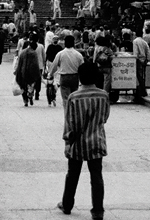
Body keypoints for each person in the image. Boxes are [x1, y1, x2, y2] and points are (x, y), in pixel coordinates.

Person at [57, 62, 110, 220]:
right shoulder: (103, 96)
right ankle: (98, 211)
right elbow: (105, 118)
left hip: (78, 143)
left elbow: (70, 124)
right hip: (96, 142)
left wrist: (67, 143)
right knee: (96, 177)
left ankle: (67, 205)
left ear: (79, 77)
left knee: (72, 175)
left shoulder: (74, 97)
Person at [49, 35, 85, 109]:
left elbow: (54, 66)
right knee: (74, 97)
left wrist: (50, 74)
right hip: (75, 77)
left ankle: (67, 116)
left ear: (65, 43)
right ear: (74, 43)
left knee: (66, 99)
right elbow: (82, 67)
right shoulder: (78, 55)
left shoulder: (60, 54)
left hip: (64, 78)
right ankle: (73, 113)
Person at [15, 38, 43, 107]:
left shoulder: (23, 52)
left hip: (23, 72)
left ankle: (25, 101)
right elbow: (35, 64)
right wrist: (38, 74)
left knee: (23, 87)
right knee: (31, 86)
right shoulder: (34, 53)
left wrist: (17, 72)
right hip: (31, 74)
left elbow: (20, 63)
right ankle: (30, 95)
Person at [132, 31, 150, 98]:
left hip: (138, 60)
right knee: (142, 76)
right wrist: (147, 59)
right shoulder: (144, 42)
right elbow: (148, 51)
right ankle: (143, 90)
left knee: (139, 76)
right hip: (144, 60)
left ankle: (142, 91)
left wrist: (135, 58)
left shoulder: (135, 41)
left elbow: (135, 52)